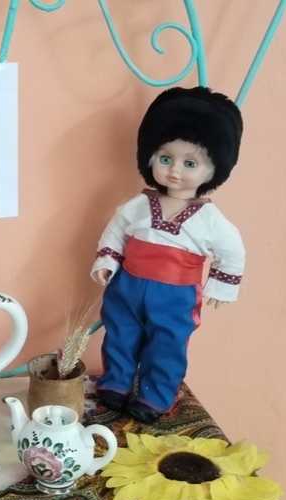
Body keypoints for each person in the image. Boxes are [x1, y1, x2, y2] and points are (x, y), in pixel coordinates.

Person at [90, 86, 244, 423]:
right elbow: (116, 232)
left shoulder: (210, 219)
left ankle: (154, 396)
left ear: (213, 169)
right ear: (149, 158)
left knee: (168, 344)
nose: (174, 170)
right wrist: (107, 261)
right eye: (165, 158)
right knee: (120, 333)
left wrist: (220, 287)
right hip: (127, 285)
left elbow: (231, 250)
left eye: (190, 163)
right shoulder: (139, 205)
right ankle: (115, 382)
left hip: (176, 295)